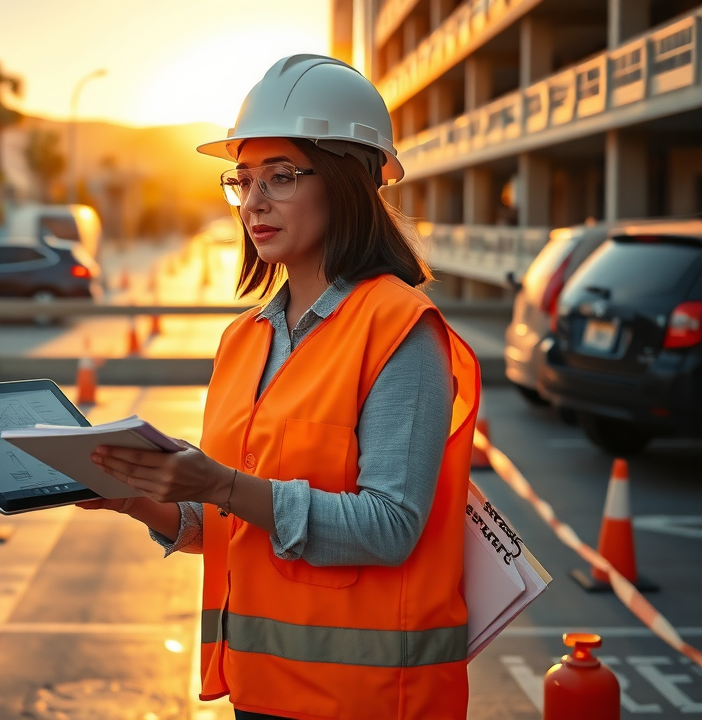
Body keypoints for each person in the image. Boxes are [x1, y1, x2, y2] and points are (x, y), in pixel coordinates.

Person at [79, 55, 479, 720]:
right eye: (242, 182)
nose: (254, 202)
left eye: (280, 177)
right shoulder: (245, 341)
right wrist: (138, 499)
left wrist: (220, 484)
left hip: (372, 701)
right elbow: (237, 525)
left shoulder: (400, 329)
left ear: (350, 181)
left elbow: (389, 528)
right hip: (262, 693)